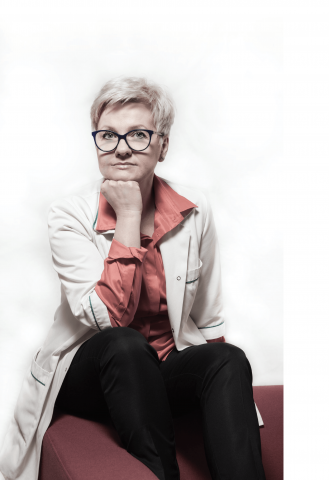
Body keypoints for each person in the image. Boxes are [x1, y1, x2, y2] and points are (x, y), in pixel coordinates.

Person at [0, 76, 265, 480]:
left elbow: (208, 313)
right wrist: (128, 213)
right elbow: (107, 318)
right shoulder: (68, 215)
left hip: (161, 368)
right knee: (125, 343)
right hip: (92, 372)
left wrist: (229, 395)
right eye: (108, 135)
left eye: (139, 134)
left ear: (163, 146)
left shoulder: (194, 210)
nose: (121, 148)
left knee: (228, 358)